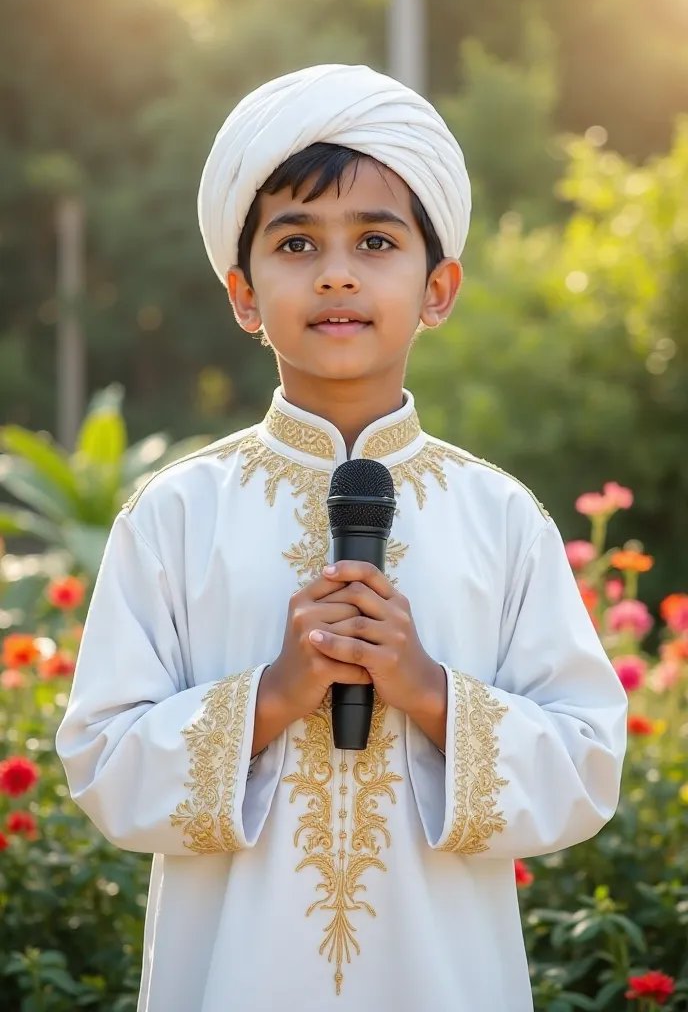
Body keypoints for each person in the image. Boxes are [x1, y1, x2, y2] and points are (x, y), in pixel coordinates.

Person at [56, 64, 627, 1012]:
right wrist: (270, 697)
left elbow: (584, 765)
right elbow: (105, 764)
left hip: (445, 979)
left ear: (438, 288)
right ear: (243, 296)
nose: (336, 271)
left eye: (374, 240)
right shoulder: (174, 514)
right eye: (295, 242)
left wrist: (431, 693)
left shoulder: (501, 518)